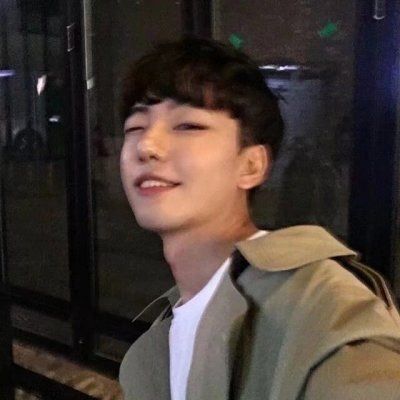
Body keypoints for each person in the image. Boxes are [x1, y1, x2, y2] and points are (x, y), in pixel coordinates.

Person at [118, 37, 400, 400]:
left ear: (251, 165)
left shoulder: (320, 308)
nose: (146, 146)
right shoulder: (154, 346)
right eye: (135, 127)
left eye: (187, 125)